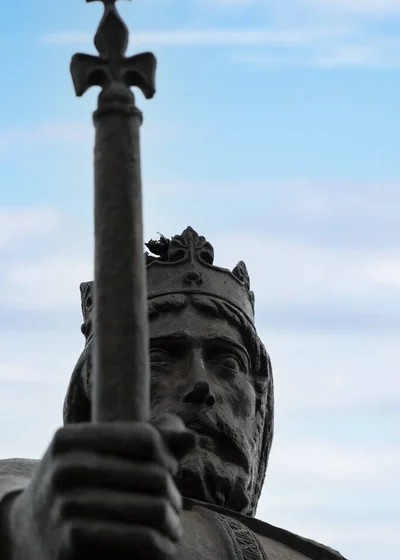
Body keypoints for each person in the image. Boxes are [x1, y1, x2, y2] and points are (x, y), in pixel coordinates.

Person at [0, 227, 347, 559]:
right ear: (94, 391)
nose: (200, 386)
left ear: (259, 408)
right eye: (160, 358)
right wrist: (26, 525)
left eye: (227, 363)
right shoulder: (30, 489)